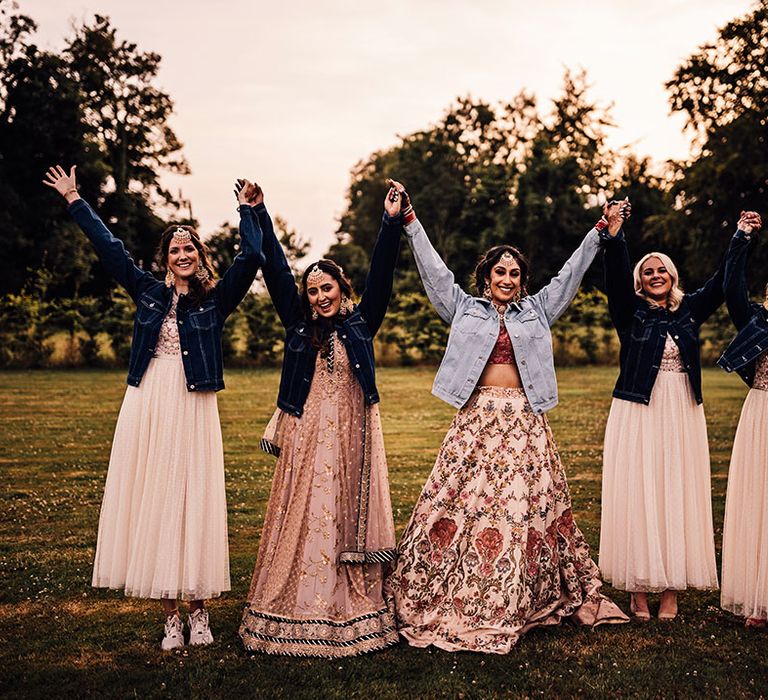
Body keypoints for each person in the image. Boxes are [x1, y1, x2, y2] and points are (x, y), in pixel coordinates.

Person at [386, 186, 629, 654]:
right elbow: (434, 273)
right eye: (500, 271)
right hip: (477, 419)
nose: (508, 279)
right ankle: (445, 588)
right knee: (459, 502)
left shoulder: (537, 309)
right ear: (486, 276)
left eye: (515, 273)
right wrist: (409, 220)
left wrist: (601, 230)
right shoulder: (463, 308)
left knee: (520, 509)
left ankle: (518, 592)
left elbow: (571, 274)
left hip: (523, 420)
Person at [43, 165, 265, 650]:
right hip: (148, 402)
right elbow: (110, 250)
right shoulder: (146, 291)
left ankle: (201, 613)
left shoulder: (214, 299)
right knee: (159, 498)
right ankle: (171, 618)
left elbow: (251, 258)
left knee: (193, 500)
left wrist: (250, 210)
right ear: (164, 258)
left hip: (193, 404)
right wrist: (75, 199)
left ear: (199, 256)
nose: (182, 254)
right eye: (174, 249)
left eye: (189, 248)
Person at [238, 180, 404, 657]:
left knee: (347, 510)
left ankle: (351, 603)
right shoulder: (297, 324)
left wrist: (390, 222)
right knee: (307, 509)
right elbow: (273, 268)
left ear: (340, 288)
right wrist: (258, 214)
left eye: (325, 288)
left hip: (353, 430)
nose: (318, 297)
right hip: (309, 431)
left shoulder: (361, 322)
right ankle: (300, 604)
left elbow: (382, 275)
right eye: (311, 291)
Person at [597, 210, 744, 620]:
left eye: (662, 269)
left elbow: (721, 283)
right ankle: (639, 590)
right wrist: (615, 235)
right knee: (640, 489)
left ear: (673, 276)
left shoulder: (689, 310)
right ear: (640, 282)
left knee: (674, 491)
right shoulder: (629, 312)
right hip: (638, 409)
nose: (656, 275)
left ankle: (671, 589)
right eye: (648, 272)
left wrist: (740, 237)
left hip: (681, 408)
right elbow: (615, 275)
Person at [717, 210, 766, 628]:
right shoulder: (758, 322)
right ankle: (760, 599)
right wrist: (742, 238)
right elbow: (732, 288)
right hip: (762, 413)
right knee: (759, 501)